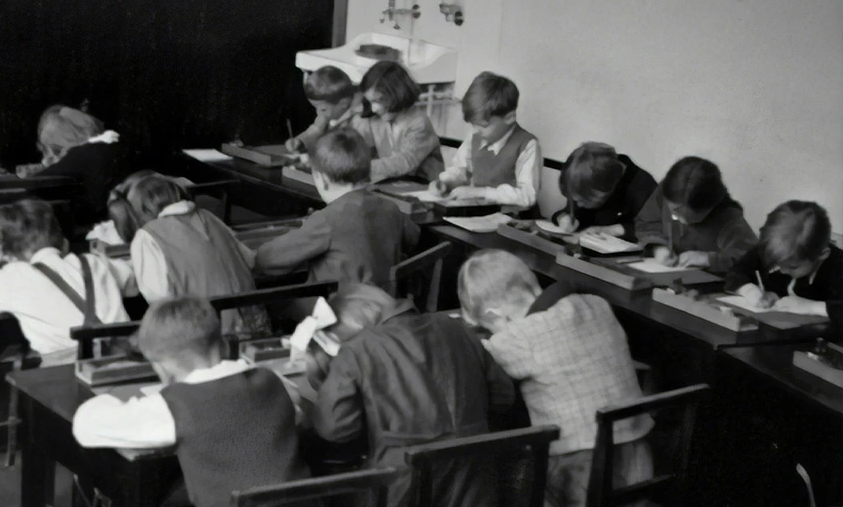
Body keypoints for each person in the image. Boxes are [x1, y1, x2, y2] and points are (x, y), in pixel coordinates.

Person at [458, 250, 653, 507]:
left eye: (489, 325)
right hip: (640, 460)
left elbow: (475, 362)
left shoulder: (519, 338)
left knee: (505, 473)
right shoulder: (597, 304)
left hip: (581, 476)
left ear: (497, 316)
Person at [72, 298, 310, 507]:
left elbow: (84, 424)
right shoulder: (273, 380)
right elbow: (296, 411)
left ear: (162, 368)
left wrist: (113, 396)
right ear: (224, 344)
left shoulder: (177, 406)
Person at [307, 284, 515, 507]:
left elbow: (335, 428)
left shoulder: (358, 349)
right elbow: (504, 396)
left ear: (352, 328)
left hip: (404, 487)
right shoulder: (457, 327)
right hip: (478, 480)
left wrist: (324, 379)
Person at [0, 200, 134, 364]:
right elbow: (131, 285)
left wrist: (4, 258)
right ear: (62, 240)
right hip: (126, 363)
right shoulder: (94, 262)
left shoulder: (17, 276)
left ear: (10, 253)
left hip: (66, 374)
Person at [256, 128, 420, 315]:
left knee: (272, 304)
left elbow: (268, 260)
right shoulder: (391, 209)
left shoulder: (327, 219)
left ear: (322, 180)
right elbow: (413, 237)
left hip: (336, 313)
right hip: (384, 309)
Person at [110, 172, 269, 332]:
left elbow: (158, 300)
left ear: (142, 209)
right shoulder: (209, 216)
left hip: (203, 337)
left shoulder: (147, 236)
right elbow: (249, 260)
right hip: (255, 330)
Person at [724, 201, 842, 338]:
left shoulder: (838, 267)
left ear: (822, 254)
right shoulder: (774, 249)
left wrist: (811, 307)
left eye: (793, 267)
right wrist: (751, 291)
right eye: (777, 264)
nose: (783, 271)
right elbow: (736, 272)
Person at [431, 71, 542, 211]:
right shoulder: (475, 136)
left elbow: (527, 195)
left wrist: (481, 192)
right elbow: (460, 170)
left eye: (483, 126)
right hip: (479, 214)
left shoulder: (528, 145)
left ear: (509, 117)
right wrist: (445, 183)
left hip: (513, 221)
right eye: (473, 124)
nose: (476, 130)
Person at [634, 157, 757, 273]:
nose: (681, 221)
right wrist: (658, 247)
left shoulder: (729, 219)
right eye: (675, 211)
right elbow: (645, 221)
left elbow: (753, 260)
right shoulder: (668, 191)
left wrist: (708, 259)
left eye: (694, 217)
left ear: (711, 206)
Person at [17, 105, 121, 220]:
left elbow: (36, 184)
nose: (56, 154)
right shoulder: (108, 145)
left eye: (55, 147)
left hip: (99, 219)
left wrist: (40, 169)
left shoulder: (80, 154)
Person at [352, 61, 444, 182]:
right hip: (393, 182)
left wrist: (360, 167)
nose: (373, 108)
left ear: (396, 94)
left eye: (378, 101)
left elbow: (404, 162)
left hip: (423, 186)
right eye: (370, 102)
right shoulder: (376, 118)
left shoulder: (418, 122)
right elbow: (362, 148)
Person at [553, 142, 657, 240]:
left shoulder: (643, 186)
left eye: (583, 201)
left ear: (606, 191)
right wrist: (562, 217)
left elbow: (656, 230)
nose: (578, 205)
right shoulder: (585, 182)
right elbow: (570, 213)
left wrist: (612, 230)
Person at [286, 65, 364, 153]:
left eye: (323, 109)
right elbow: (316, 130)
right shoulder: (328, 113)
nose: (318, 112)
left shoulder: (360, 120)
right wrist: (300, 142)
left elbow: (357, 155)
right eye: (316, 108)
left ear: (343, 104)